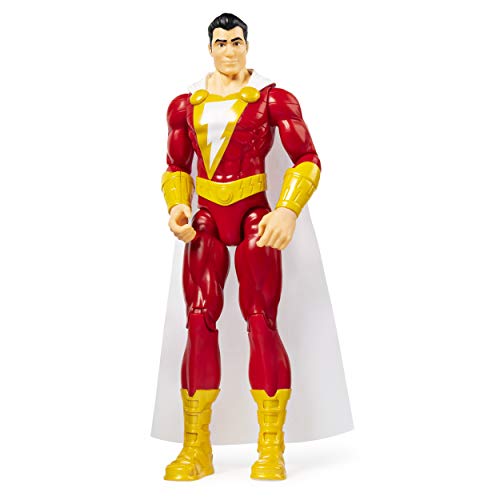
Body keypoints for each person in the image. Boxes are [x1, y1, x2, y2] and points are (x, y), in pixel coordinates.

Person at [157, 13, 348, 481]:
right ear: (210, 48)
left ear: (247, 45)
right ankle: (196, 447)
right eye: (221, 42)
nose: (229, 50)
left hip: (254, 216)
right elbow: (176, 166)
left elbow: (307, 159)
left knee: (261, 318)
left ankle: (271, 446)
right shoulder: (184, 104)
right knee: (198, 319)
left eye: (236, 41)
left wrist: (287, 210)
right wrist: (177, 206)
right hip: (206, 219)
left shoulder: (272, 98)